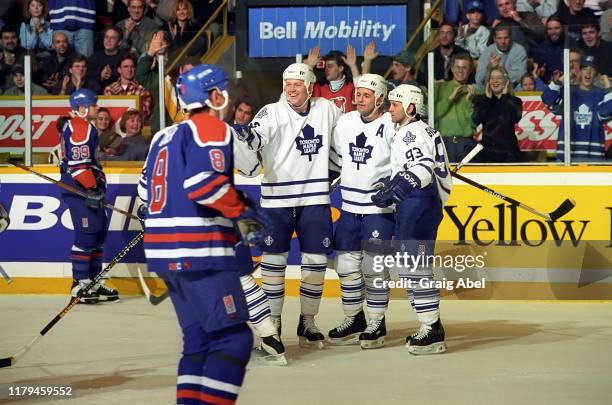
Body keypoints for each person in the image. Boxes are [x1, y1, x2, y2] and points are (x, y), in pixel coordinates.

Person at [138, 64, 271, 403]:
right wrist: (243, 213)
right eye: (223, 89)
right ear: (214, 95)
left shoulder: (162, 135)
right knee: (233, 340)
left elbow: (144, 194)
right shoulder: (212, 127)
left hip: (165, 252)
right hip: (201, 249)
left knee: (198, 341)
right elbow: (204, 185)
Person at [236, 63, 342, 348]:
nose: (290, 88)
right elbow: (258, 136)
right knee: (273, 263)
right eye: (287, 83)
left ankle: (307, 321)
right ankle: (274, 322)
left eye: (297, 84)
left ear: (309, 86)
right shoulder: (271, 112)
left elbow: (342, 141)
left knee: (316, 263)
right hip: (276, 201)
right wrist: (247, 137)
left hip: (315, 199)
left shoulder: (327, 109)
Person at [371, 84, 452, 355]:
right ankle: (429, 325)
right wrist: (393, 182)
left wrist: (399, 187)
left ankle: (432, 329)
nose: (389, 108)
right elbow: (413, 167)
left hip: (419, 204)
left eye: (394, 104)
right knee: (408, 267)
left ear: (411, 108)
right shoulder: (418, 130)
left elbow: (423, 168)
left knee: (415, 268)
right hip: (417, 203)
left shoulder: (410, 133)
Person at [327, 74, 395, 349]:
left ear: (380, 98)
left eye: (367, 95)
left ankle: (377, 322)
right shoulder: (345, 122)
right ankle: (354, 318)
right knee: (345, 266)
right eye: (358, 94)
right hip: (349, 207)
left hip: (379, 210)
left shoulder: (392, 123)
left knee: (373, 268)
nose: (359, 99)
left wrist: (393, 184)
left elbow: (402, 161)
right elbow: (335, 159)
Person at [60, 88, 118, 304]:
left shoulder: (84, 126)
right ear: (82, 108)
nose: (96, 108)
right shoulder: (80, 127)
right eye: (93, 105)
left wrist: (97, 187)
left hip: (88, 187)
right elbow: (77, 166)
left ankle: (93, 280)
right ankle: (80, 283)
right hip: (79, 189)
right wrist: (92, 189)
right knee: (87, 234)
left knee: (98, 234)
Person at [542, 55, 609, 161]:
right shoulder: (569, 92)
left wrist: (608, 87)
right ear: (580, 71)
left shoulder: (600, 94)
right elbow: (547, 98)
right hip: (567, 154)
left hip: (593, 155)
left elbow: (608, 112)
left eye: (592, 69)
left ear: (596, 74)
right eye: (585, 69)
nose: (588, 72)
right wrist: (562, 79)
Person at [473, 66, 523, 162]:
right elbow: (477, 119)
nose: (495, 81)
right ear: (488, 82)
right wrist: (487, 100)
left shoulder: (515, 101)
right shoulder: (482, 101)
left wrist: (505, 97)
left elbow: (515, 118)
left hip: (508, 152)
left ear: (506, 81)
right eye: (492, 78)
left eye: (499, 78)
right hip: (488, 152)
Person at [435, 53, 477, 163]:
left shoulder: (473, 91)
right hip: (445, 142)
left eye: (464, 67)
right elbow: (435, 114)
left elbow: (474, 122)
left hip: (466, 142)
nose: (460, 71)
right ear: (452, 69)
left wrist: (468, 101)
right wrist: (450, 98)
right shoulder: (441, 87)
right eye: (457, 67)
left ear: (470, 70)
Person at [476, 24, 527, 89]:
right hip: (491, 88)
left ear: (510, 38)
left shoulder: (519, 50)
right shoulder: (487, 51)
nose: (503, 42)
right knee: (477, 87)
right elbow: (478, 79)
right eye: (499, 38)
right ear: (494, 39)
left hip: (511, 87)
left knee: (522, 87)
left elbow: (520, 76)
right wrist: (489, 68)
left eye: (506, 38)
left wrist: (498, 75)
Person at [103, 55, 153, 121]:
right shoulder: (109, 89)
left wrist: (122, 99)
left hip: (133, 127)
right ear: (119, 70)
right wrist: (112, 97)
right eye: (125, 67)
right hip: (113, 127)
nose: (129, 69)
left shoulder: (142, 91)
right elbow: (104, 113)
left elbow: (145, 113)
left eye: (132, 67)